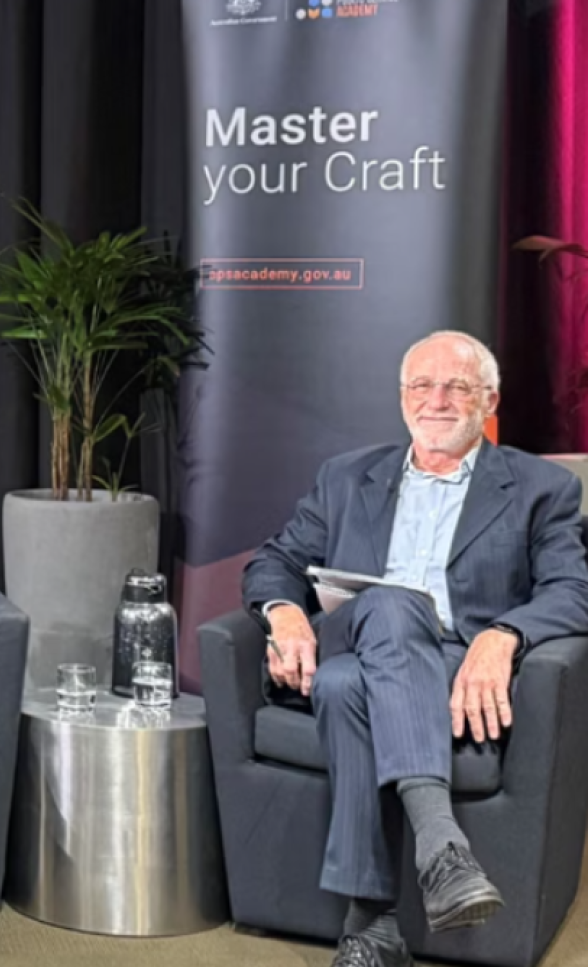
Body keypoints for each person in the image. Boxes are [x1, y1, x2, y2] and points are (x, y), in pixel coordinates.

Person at [243, 330, 588, 967]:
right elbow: (276, 559)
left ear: (488, 401)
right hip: (353, 632)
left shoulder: (542, 489)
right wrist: (285, 612)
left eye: (457, 386)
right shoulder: (346, 477)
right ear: (402, 398)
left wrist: (504, 634)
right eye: (422, 386)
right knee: (395, 603)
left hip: (448, 658)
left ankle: (370, 927)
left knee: (346, 687)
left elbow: (574, 589)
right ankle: (441, 846)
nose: (437, 399)